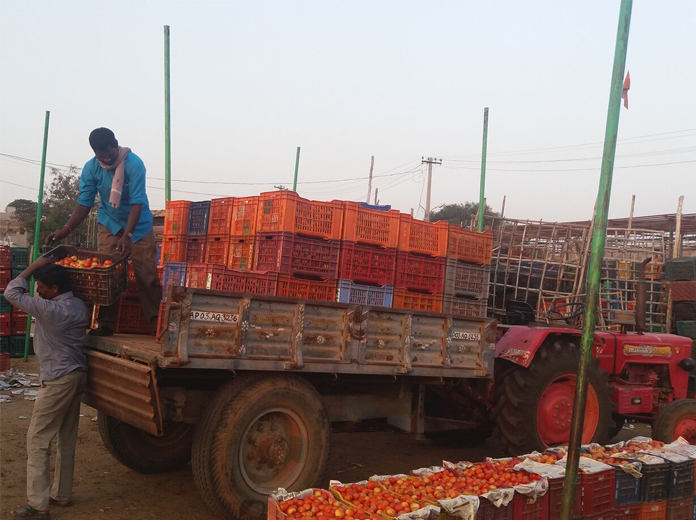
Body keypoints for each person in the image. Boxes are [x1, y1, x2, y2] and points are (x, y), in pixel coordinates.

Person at [46, 127, 162, 336]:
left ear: (116, 145)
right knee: (108, 275)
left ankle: (157, 326)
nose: (107, 161)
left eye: (109, 155)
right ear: (94, 153)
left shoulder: (135, 164)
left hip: (139, 227)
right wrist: (66, 229)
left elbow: (137, 202)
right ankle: (106, 324)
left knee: (147, 278)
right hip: (109, 224)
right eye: (102, 157)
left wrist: (127, 236)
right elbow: (84, 203)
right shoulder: (91, 168)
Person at [5, 258, 90, 520]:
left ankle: (38, 505)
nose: (37, 290)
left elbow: (10, 292)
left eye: (40, 286)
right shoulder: (78, 305)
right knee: (65, 436)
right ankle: (62, 494)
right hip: (76, 375)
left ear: (53, 288)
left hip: (57, 379)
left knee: (38, 439)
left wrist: (31, 268)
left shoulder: (50, 310)